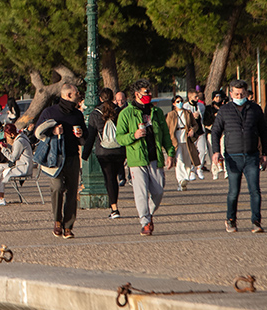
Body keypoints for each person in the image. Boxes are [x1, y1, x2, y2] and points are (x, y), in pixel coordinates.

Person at [210, 79, 267, 234]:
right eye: (236, 93)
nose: (239, 96)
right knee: (233, 191)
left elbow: (264, 132)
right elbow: (216, 132)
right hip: (232, 157)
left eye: (242, 93)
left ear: (247, 93)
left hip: (252, 156)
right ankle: (231, 220)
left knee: (255, 191)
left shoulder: (255, 109)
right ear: (231, 93)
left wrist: (265, 153)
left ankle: (256, 221)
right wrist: (216, 152)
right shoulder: (224, 111)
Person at [115, 79, 174, 236]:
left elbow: (165, 134)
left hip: (155, 157)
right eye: (146, 92)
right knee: (140, 193)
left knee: (158, 191)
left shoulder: (157, 112)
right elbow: (119, 137)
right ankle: (145, 222)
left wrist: (170, 152)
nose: (149, 95)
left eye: (149, 91)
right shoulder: (126, 113)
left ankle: (149, 214)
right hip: (137, 159)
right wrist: (133, 136)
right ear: (137, 94)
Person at [35, 83, 87, 239]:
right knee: (57, 188)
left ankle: (68, 226)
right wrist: (53, 131)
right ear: (68, 95)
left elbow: (84, 137)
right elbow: (37, 132)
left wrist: (81, 135)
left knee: (72, 192)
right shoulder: (50, 112)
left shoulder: (77, 114)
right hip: (55, 158)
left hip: (72, 157)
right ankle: (57, 220)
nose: (79, 95)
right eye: (77, 93)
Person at [81, 87, 126, 218]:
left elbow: (91, 136)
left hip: (103, 151)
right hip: (119, 150)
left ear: (100, 98)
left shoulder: (95, 114)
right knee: (114, 178)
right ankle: (114, 205)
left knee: (109, 178)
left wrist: (85, 154)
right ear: (113, 98)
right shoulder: (120, 112)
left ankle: (114, 208)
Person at [0, 123, 34, 207]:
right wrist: (7, 148)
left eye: (7, 136)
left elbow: (12, 158)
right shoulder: (21, 138)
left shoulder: (19, 141)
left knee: (2, 173)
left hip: (23, 167)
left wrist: (3, 149)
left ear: (12, 134)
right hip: (21, 165)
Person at [166, 95, 201, 191]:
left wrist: (193, 130)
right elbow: (167, 127)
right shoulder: (171, 114)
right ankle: (181, 179)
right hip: (176, 139)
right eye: (177, 101)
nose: (180, 103)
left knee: (187, 160)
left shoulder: (188, 113)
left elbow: (195, 125)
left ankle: (184, 180)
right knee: (179, 160)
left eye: (181, 101)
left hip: (186, 138)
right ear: (173, 104)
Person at [204, 91, 226, 179]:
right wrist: (214, 117)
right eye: (216, 97)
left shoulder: (224, 108)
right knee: (213, 152)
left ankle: (226, 170)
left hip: (223, 132)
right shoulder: (208, 109)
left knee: (224, 151)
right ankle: (214, 171)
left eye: (219, 97)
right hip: (211, 132)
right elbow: (205, 121)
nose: (218, 99)